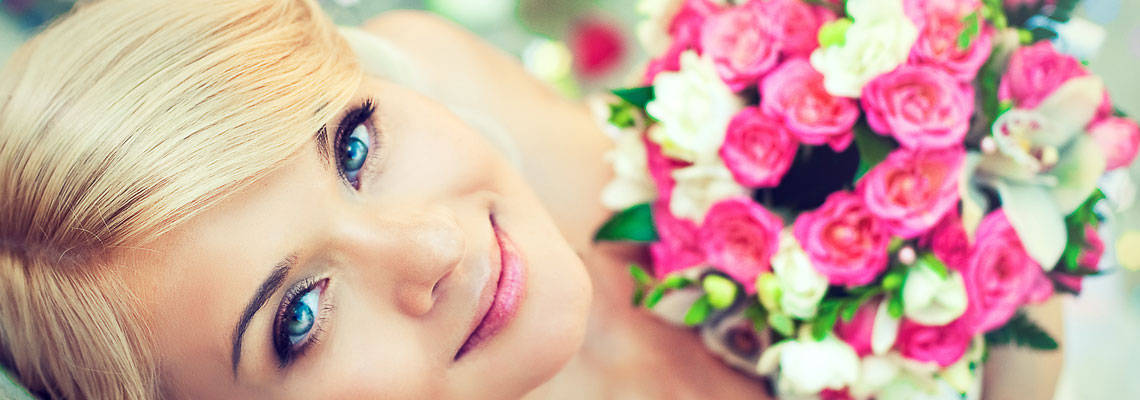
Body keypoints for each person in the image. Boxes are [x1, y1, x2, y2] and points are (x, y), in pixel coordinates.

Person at [0, 0, 1063, 398]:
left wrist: (979, 216)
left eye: (353, 145)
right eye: (300, 317)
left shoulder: (432, 71)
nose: (428, 246)